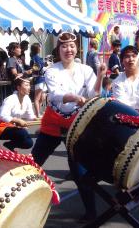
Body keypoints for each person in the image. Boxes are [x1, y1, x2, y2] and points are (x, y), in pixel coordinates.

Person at [31, 32, 106, 222]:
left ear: (76, 48)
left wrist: (100, 76)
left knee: (79, 171)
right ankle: (13, 200)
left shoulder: (86, 70)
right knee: (33, 163)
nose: (68, 49)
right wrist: (75, 98)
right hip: (53, 123)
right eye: (64, 46)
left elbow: (94, 94)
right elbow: (55, 95)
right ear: (58, 49)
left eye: (72, 46)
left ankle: (91, 212)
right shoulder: (51, 70)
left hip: (76, 125)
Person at [0, 75, 36, 151]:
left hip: (13, 127)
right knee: (23, 133)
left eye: (29, 85)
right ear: (18, 88)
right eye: (26, 85)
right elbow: (2, 115)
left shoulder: (27, 99)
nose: (29, 87)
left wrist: (39, 119)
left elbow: (30, 115)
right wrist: (18, 120)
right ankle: (6, 145)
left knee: (28, 142)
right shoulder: (10, 99)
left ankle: (8, 146)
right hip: (1, 127)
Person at [30, 43, 46, 118]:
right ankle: (37, 113)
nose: (40, 48)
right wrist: (44, 66)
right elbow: (36, 67)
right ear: (37, 48)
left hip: (42, 78)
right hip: (38, 78)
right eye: (39, 47)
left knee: (42, 97)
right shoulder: (35, 57)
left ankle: (38, 112)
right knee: (37, 98)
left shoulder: (37, 57)